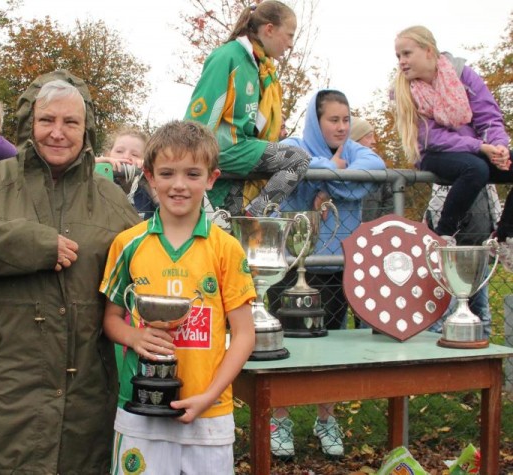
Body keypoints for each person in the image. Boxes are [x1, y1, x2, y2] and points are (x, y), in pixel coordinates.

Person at [0, 70, 141, 474]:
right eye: (47, 120)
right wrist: (29, 243)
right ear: (31, 123)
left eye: (70, 122)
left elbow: (145, 269)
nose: (57, 133)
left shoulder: (112, 200)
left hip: (82, 401)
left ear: (87, 129)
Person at [100, 120, 256, 474]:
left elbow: (245, 334)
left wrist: (209, 396)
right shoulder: (128, 244)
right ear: (150, 176)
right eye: (167, 173)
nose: (179, 185)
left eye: (192, 174)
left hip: (208, 412)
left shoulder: (226, 248)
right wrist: (135, 335)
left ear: (211, 179)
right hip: (139, 411)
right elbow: (110, 319)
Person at [267, 90, 385, 458]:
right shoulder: (293, 145)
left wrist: (322, 176)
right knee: (283, 344)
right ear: (316, 121)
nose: (342, 127)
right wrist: (333, 169)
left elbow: (375, 168)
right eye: (333, 120)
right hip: (291, 264)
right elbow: (292, 162)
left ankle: (326, 418)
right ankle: (280, 419)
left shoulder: (355, 151)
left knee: (331, 346)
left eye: (346, 119)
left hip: (335, 266)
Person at [393, 25, 513, 266]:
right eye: (398, 57)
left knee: (494, 162)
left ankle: (504, 236)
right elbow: (431, 137)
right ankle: (442, 236)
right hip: (435, 153)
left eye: (406, 54)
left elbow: (487, 115)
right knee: (474, 168)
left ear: (429, 51)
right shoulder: (403, 90)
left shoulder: (463, 75)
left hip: (478, 149)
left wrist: (499, 147)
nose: (402, 62)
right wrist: (478, 146)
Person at [185, 0, 309, 217]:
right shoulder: (229, 56)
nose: (291, 44)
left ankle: (241, 224)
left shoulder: (262, 67)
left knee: (227, 230)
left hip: (242, 154)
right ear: (269, 29)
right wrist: (190, 163)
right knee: (297, 159)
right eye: (289, 35)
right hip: (226, 150)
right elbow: (200, 115)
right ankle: (253, 218)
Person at [425, 183, 501, 338]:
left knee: (482, 314)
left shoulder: (487, 180)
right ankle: (440, 355)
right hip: (451, 255)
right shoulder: (450, 175)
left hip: (480, 253)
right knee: (445, 312)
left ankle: (482, 355)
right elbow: (435, 211)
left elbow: (495, 209)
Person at [96, 127, 158, 219]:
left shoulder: (146, 190)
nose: (126, 156)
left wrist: (148, 176)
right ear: (108, 154)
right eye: (119, 151)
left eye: (135, 154)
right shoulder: (97, 177)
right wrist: (98, 162)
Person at [350, 117, 394, 222]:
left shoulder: (381, 174)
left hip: (373, 235)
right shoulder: (336, 169)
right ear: (355, 140)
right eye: (369, 137)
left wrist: (377, 228)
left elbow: (391, 204)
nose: (374, 141)